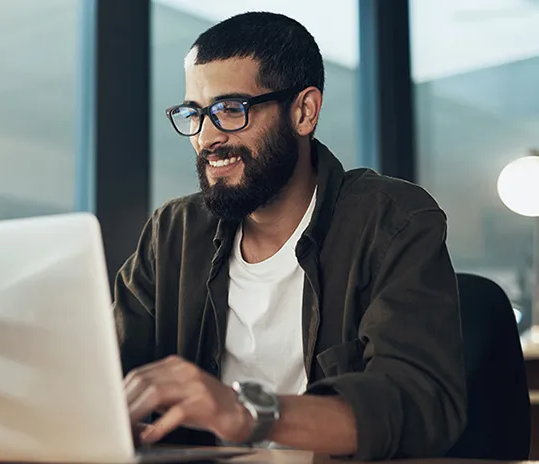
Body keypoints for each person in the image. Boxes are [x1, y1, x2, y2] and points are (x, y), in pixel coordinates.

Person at [113, 11, 466, 461]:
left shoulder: (392, 220)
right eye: (195, 113)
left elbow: (420, 403)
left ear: (304, 111)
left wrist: (248, 413)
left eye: (230, 110)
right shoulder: (173, 233)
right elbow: (106, 371)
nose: (206, 137)